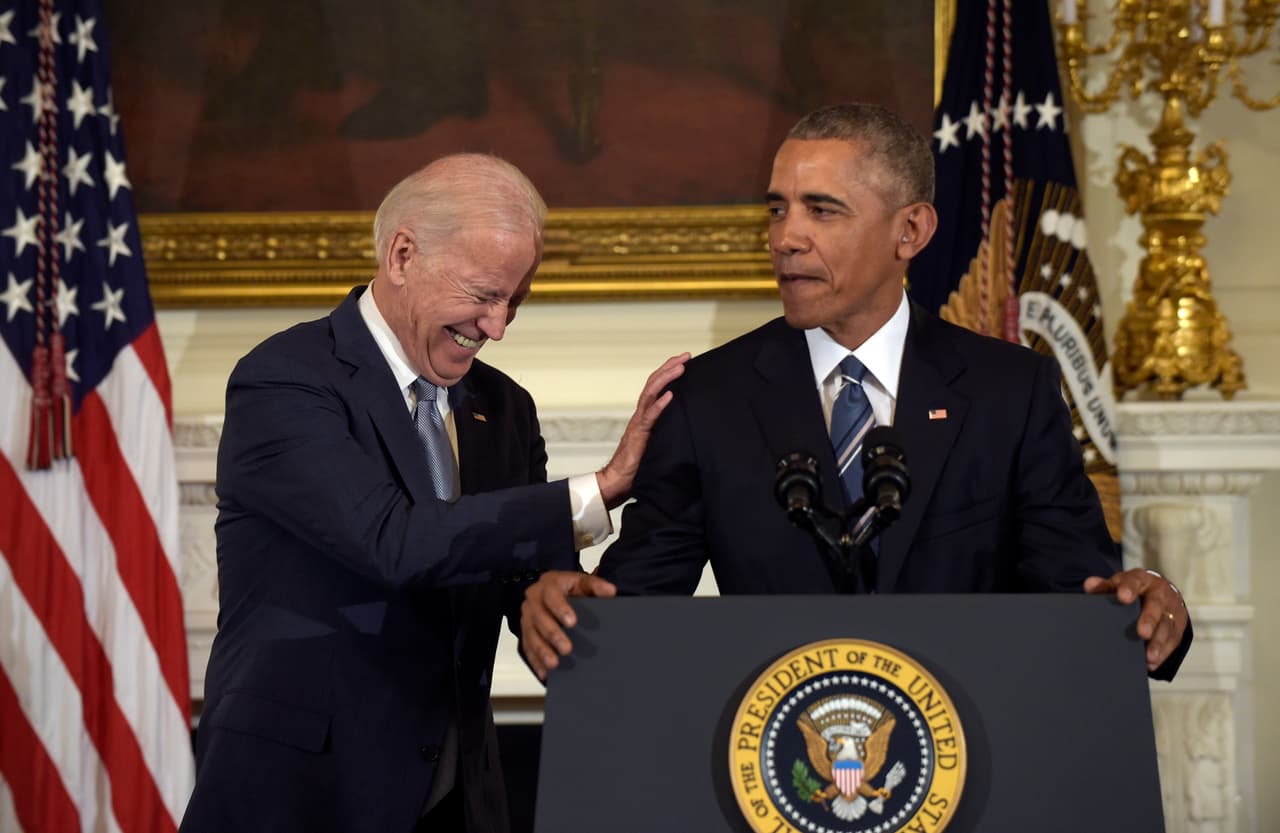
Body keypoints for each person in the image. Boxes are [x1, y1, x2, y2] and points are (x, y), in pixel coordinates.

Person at [521, 102, 1192, 683]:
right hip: (774, 759)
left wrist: (1146, 603)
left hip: (968, 751)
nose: (786, 238)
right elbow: (627, 611)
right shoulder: (709, 398)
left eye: (822, 210)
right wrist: (567, 612)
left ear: (911, 231)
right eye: (777, 209)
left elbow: (1082, 596)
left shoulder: (1010, 392)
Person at [178, 153, 687, 833]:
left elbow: (521, 576)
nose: (497, 326)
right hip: (303, 798)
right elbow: (392, 541)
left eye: (515, 301)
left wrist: (556, 599)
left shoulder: (505, 407)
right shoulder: (286, 380)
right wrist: (600, 487)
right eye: (483, 294)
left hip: (456, 800)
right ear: (402, 255)